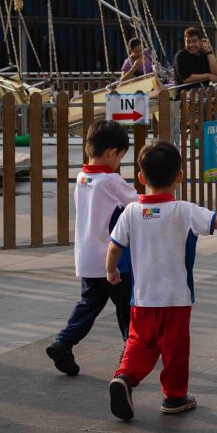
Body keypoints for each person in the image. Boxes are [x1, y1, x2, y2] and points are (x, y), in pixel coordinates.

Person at [106, 141, 217, 420]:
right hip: (176, 298)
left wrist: (111, 271)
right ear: (180, 176)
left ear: (141, 178)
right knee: (175, 348)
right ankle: (174, 396)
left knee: (138, 343)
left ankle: (125, 377)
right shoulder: (184, 210)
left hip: (142, 298)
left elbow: (114, 247)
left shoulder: (131, 212)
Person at [46, 120, 138, 376]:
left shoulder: (82, 177)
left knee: (89, 304)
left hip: (87, 260)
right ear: (112, 153)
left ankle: (63, 341)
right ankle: (131, 353)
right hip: (114, 261)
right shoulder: (112, 181)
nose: (119, 161)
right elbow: (139, 204)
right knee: (127, 308)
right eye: (121, 156)